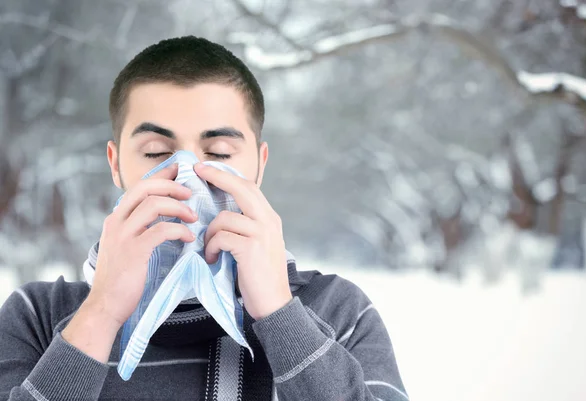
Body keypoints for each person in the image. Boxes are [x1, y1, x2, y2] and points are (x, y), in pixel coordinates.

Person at [0, 36, 408, 401]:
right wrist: (102, 312)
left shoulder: (338, 312)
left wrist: (280, 315)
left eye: (219, 154)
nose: (189, 177)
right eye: (157, 152)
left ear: (259, 166)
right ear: (116, 164)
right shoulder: (38, 316)